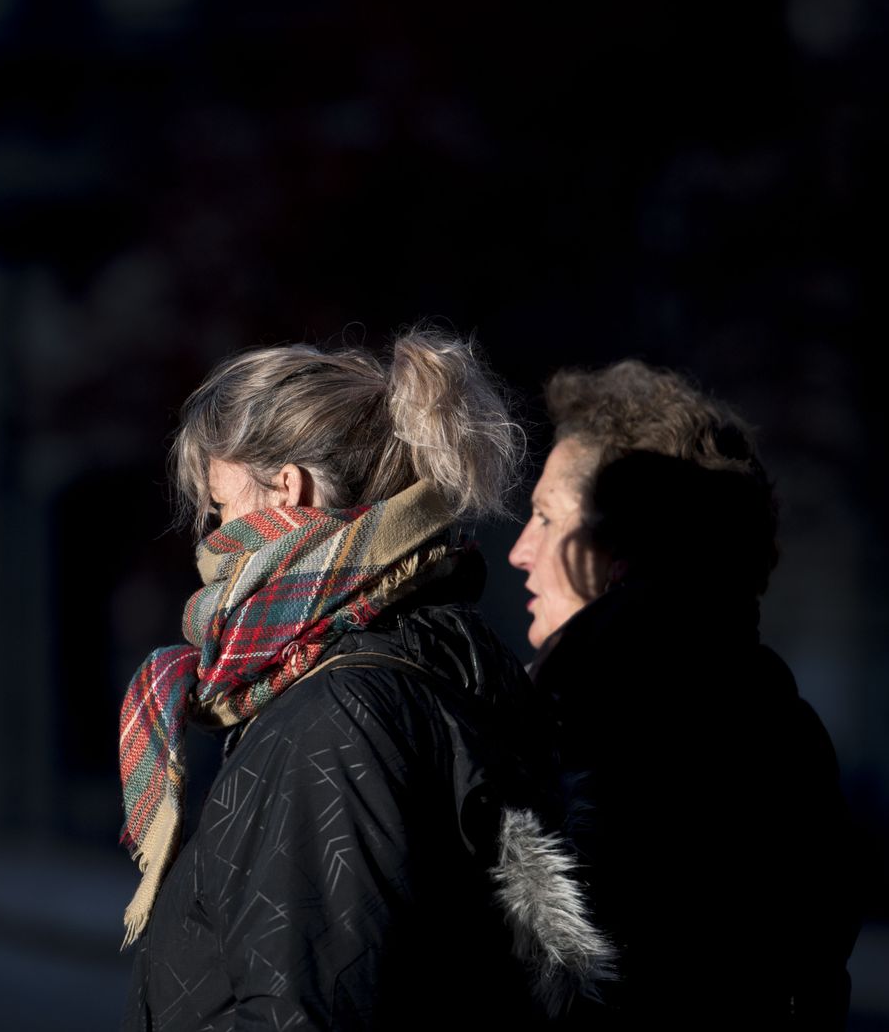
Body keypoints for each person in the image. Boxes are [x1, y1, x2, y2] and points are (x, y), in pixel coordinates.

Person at [119, 330, 615, 1031]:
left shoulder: (339, 713)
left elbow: (308, 1011)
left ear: (287, 491)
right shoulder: (425, 660)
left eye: (222, 511)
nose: (209, 546)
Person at [507, 361, 861, 1025]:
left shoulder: (597, 737)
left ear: (621, 553)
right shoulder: (779, 722)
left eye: (546, 518)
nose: (519, 551)